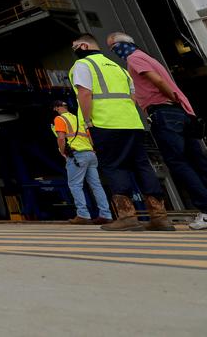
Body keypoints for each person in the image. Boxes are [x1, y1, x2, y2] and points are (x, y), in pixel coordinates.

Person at [109, 31, 207, 231]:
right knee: (202, 165)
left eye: (112, 47)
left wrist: (170, 100)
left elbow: (157, 81)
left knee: (178, 162)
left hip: (164, 112)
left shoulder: (134, 59)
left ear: (119, 45)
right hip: (180, 114)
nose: (113, 51)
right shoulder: (149, 57)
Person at [71, 33, 173, 231]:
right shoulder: (118, 67)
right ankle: (160, 217)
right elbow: (133, 96)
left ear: (83, 46)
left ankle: (127, 217)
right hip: (132, 124)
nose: (74, 50)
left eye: (75, 46)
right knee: (142, 166)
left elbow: (84, 93)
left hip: (105, 123)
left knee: (114, 166)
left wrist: (89, 120)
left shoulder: (84, 65)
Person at [52, 100, 112, 225]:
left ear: (57, 108)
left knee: (75, 185)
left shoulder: (60, 119)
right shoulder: (78, 118)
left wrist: (63, 152)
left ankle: (83, 214)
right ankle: (106, 214)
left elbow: (61, 138)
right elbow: (90, 137)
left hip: (77, 155)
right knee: (96, 185)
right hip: (90, 154)